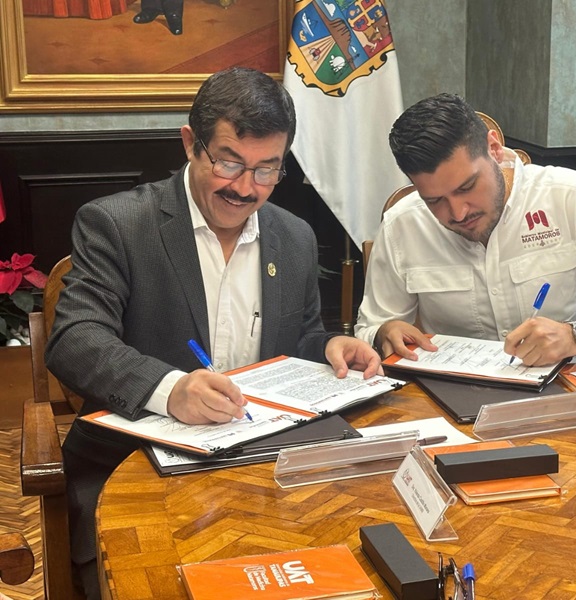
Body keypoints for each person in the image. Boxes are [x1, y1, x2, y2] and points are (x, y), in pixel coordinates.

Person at [45, 67, 381, 600]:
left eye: (267, 169)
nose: (246, 188)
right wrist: (170, 390)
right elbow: (75, 338)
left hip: (263, 471)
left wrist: (329, 347)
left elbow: (298, 340)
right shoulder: (118, 224)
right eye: (229, 163)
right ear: (190, 143)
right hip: (134, 476)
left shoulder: (293, 237)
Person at [355, 93, 576, 367]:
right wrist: (385, 331)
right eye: (434, 201)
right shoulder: (402, 224)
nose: (458, 212)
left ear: (493, 149)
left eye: (467, 187)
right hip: (453, 401)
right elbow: (371, 327)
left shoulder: (568, 195)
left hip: (570, 389)